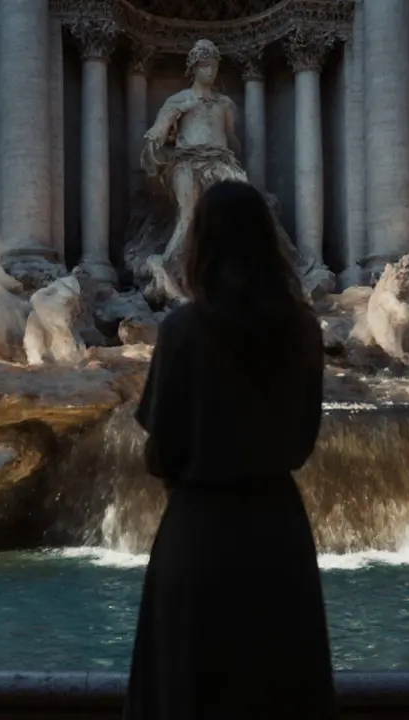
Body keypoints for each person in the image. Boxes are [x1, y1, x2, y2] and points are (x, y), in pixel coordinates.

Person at [124, 180, 337, 719]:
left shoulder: (183, 330)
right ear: (270, 245)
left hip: (199, 539)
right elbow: (302, 444)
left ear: (202, 246)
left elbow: (161, 454)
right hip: (279, 538)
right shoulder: (304, 331)